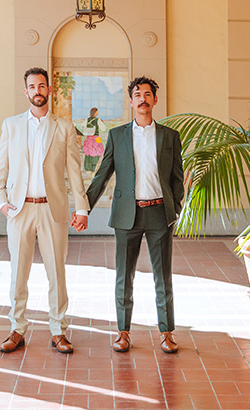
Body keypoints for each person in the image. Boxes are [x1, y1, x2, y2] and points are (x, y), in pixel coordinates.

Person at [74, 76, 184, 354]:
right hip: (127, 215)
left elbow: (177, 178)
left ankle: (167, 332)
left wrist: (176, 207)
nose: (143, 99)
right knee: (124, 276)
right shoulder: (118, 135)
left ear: (155, 100)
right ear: (131, 100)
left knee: (163, 276)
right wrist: (83, 207)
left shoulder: (170, 136)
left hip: (160, 213)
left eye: (148, 94)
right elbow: (102, 175)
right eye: (137, 94)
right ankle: (123, 331)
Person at [0, 67, 89, 354]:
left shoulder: (64, 127)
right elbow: (1, 166)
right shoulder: (11, 126)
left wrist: (81, 208)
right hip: (19, 210)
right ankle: (17, 329)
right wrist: (1, 200)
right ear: (26, 92)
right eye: (32, 86)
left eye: (41, 86)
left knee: (56, 272)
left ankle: (58, 330)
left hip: (52, 210)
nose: (37, 90)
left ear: (49, 90)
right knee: (18, 272)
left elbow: (74, 171)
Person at [81, 107, 104, 171]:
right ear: (95, 113)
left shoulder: (87, 120)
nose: (97, 113)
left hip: (88, 139)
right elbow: (103, 129)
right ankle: (94, 168)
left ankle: (87, 168)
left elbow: (82, 127)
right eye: (96, 112)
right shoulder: (98, 120)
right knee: (96, 153)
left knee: (88, 153)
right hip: (95, 139)